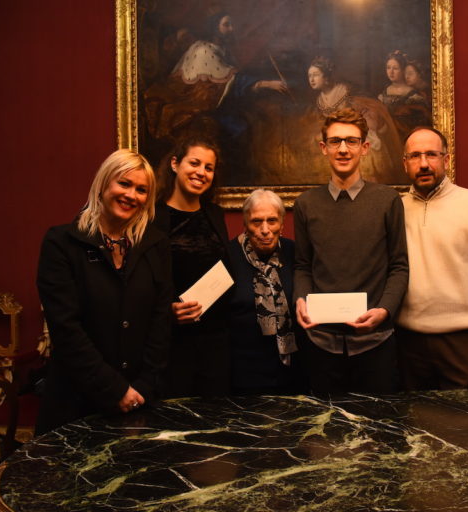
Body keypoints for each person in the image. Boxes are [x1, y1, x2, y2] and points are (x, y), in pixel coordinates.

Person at [36, 149, 172, 434]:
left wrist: (143, 386)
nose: (131, 195)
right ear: (103, 183)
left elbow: (160, 321)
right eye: (123, 183)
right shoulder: (61, 244)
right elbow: (66, 329)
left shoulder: (155, 245)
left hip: (139, 403)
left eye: (141, 190)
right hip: (75, 404)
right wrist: (115, 389)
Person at [294, 107, 409, 394]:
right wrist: (299, 299)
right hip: (321, 343)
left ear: (365, 147)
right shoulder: (306, 204)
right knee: (325, 434)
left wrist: (384, 309)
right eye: (335, 141)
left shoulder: (387, 200)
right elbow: (303, 266)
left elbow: (399, 266)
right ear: (324, 148)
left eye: (351, 141)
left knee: (379, 433)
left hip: (375, 342)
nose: (343, 149)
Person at [396, 127, 468, 390]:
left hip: (463, 343)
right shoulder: (396, 208)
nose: (424, 163)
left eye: (432, 155)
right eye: (415, 156)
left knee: (466, 427)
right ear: (405, 164)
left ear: (446, 160)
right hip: (408, 344)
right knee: (414, 426)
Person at [153, 136, 235, 397]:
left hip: (217, 341)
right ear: (175, 164)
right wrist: (168, 310)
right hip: (174, 342)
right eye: (195, 163)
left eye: (208, 168)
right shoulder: (153, 218)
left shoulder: (214, 214)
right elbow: (141, 281)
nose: (201, 172)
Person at [143, 13, 287, 142]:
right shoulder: (203, 49)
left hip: (221, 104)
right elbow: (227, 80)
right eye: (226, 25)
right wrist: (264, 83)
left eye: (232, 25)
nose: (231, 29)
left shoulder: (223, 51)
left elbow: (231, 76)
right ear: (214, 27)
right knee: (240, 128)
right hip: (202, 106)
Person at [227, 189, 305, 395]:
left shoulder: (294, 252)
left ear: (282, 223)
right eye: (256, 222)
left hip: (293, 373)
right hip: (242, 376)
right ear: (245, 224)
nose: (265, 229)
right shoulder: (227, 256)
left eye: (272, 221)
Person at [305, 56, 404, 184]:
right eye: (309, 76)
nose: (311, 79)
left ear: (326, 77)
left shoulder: (347, 92)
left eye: (315, 75)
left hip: (356, 134)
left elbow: (369, 112)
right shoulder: (319, 100)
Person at [377, 51, 430, 141]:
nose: (391, 72)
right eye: (388, 68)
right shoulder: (383, 93)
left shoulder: (414, 96)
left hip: (405, 137)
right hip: (386, 138)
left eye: (395, 68)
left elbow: (421, 123)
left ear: (403, 70)